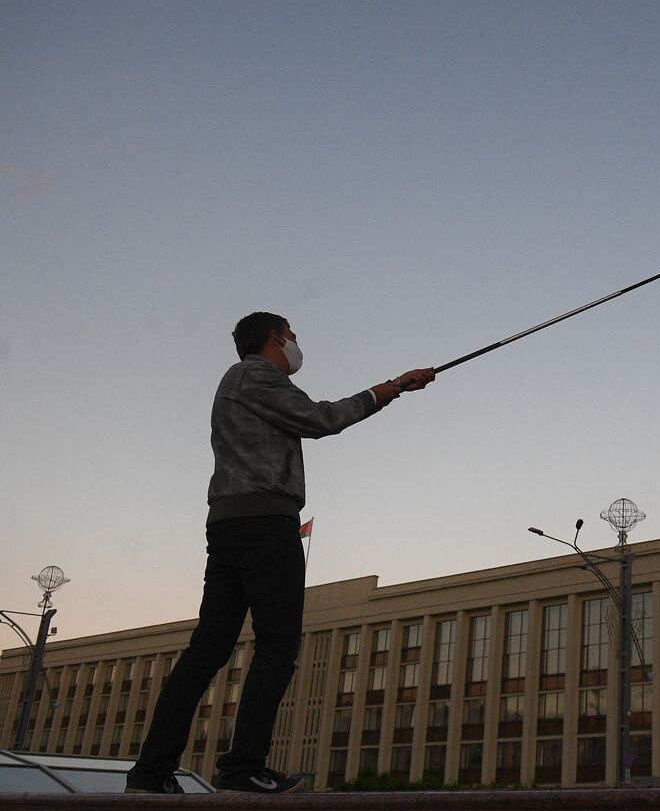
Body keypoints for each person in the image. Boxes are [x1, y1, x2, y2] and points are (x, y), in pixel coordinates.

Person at [126, 312, 435, 794]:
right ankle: (242, 767)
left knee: (208, 648)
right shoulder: (257, 374)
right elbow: (321, 419)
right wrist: (391, 388)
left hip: (231, 522)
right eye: (292, 335)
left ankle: (151, 773)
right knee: (277, 643)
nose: (296, 343)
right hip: (264, 524)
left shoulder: (240, 380)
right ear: (274, 337)